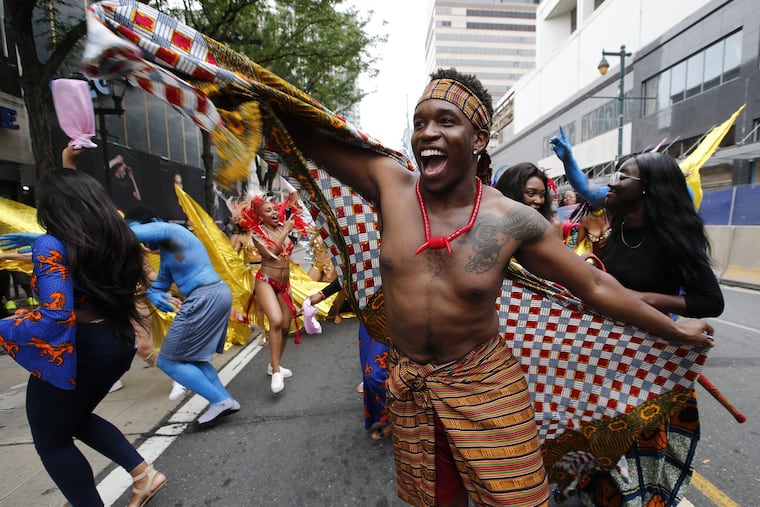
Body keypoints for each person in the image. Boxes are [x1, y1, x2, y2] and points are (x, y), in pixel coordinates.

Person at [283, 67, 715, 507]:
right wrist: (223, 83)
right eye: (419, 122)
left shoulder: (512, 219)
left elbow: (595, 285)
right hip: (413, 390)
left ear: (478, 139)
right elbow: (301, 129)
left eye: (446, 121)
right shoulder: (391, 184)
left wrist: (673, 329)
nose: (427, 133)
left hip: (487, 390)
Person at [550, 134, 724, 504]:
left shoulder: (672, 236)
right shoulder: (616, 229)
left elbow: (711, 300)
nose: (612, 181)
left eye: (623, 176)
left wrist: (644, 300)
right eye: (614, 174)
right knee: (597, 448)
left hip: (648, 364)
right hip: (604, 358)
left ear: (647, 190)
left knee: (634, 459)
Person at [0, 168, 166, 507]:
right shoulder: (116, 238)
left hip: (81, 349)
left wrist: (6, 327)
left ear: (54, 208)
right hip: (117, 342)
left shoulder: (52, 243)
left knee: (51, 441)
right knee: (72, 419)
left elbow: (55, 317)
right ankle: (142, 474)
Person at [124, 205, 240, 427]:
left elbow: (127, 235)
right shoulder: (167, 251)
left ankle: (220, 400)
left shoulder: (171, 231)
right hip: (212, 294)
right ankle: (224, 399)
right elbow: (161, 283)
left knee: (168, 361)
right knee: (195, 359)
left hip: (204, 296)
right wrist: (154, 293)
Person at [239, 188, 305, 394]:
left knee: (285, 326)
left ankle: (274, 365)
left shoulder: (281, 226)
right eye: (268, 210)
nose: (275, 212)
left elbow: (293, 198)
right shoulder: (258, 234)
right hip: (266, 281)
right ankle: (276, 371)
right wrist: (285, 230)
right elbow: (272, 254)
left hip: (284, 284)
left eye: (275, 209)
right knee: (275, 321)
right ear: (260, 216)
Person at [308, 279, 391, 440]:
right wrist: (322, 294)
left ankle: (397, 419)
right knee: (370, 374)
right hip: (368, 314)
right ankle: (389, 417)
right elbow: (349, 266)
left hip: (398, 310)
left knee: (376, 374)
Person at [493, 162, 562, 237]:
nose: (538, 201)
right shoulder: (495, 230)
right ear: (512, 194)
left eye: (542, 195)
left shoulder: (552, 228)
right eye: (531, 194)